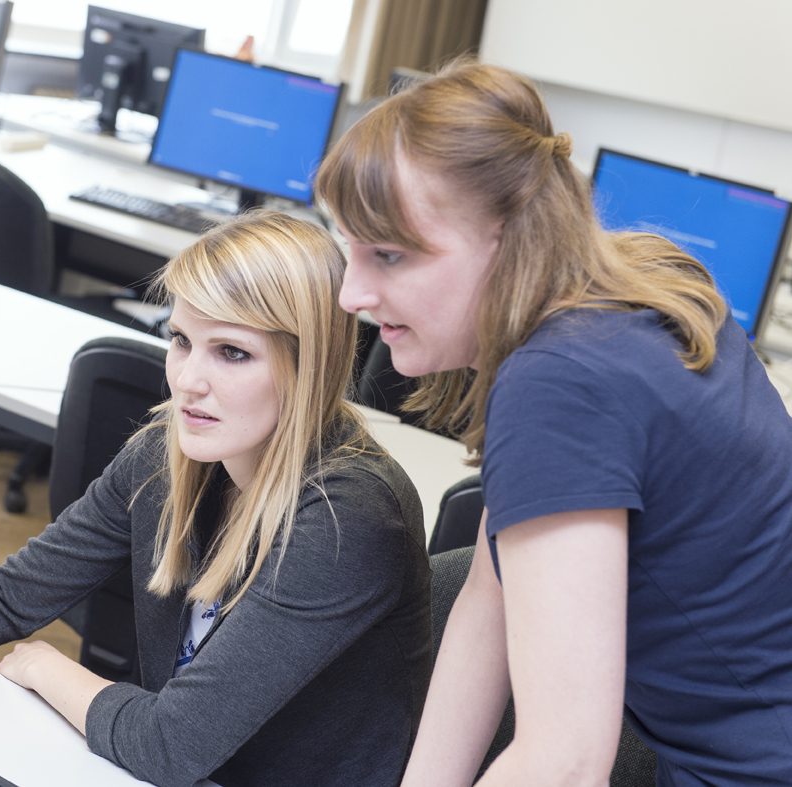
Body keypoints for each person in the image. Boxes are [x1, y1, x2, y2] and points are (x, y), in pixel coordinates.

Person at [315, 60, 792, 787]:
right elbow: (490, 595)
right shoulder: (642, 279)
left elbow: (565, 763)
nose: (352, 292)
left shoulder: (561, 381)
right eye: (347, 248)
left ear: (510, 239)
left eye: (389, 254)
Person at [0, 211, 433, 787]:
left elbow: (170, 745)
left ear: (310, 367)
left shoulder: (347, 518)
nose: (187, 382)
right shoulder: (168, 453)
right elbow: (7, 597)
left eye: (231, 352)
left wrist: (45, 665)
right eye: (181, 340)